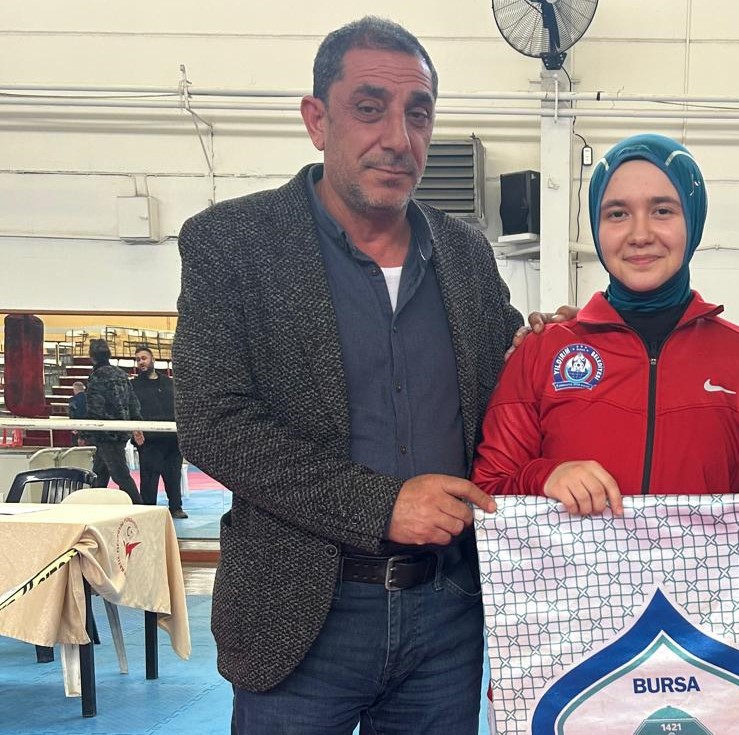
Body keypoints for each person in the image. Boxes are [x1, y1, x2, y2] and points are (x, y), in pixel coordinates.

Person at [172, 16, 520, 734]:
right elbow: (214, 422)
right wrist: (379, 505)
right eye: (369, 108)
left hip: (447, 613)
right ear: (316, 120)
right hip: (300, 616)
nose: (398, 137)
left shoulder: (465, 253)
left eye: (418, 113)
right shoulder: (233, 244)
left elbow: (511, 386)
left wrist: (568, 342)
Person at [473, 134, 739, 513]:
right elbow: (487, 493)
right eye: (617, 214)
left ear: (693, 219)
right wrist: (544, 476)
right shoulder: (541, 351)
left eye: (662, 211)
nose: (640, 235)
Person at [130, 346, 187, 518]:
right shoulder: (133, 385)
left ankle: (176, 507)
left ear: (153, 359)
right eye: (138, 359)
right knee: (149, 478)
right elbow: (130, 409)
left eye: (144, 358)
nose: (141, 362)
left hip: (172, 438)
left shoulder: (169, 383)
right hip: (149, 440)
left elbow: (180, 406)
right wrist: (135, 430)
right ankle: (148, 510)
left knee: (173, 475)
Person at [84, 338, 142, 504]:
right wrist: (137, 423)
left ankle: (138, 505)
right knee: (99, 473)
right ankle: (93, 505)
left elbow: (94, 408)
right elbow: (133, 402)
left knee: (120, 475)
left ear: (92, 357)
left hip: (106, 433)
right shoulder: (121, 374)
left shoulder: (96, 377)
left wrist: (85, 433)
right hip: (122, 430)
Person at [67, 380, 87, 445]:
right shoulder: (90, 399)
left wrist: (73, 427)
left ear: (75, 389)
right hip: (89, 425)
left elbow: (71, 413)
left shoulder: (73, 400)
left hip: (77, 425)